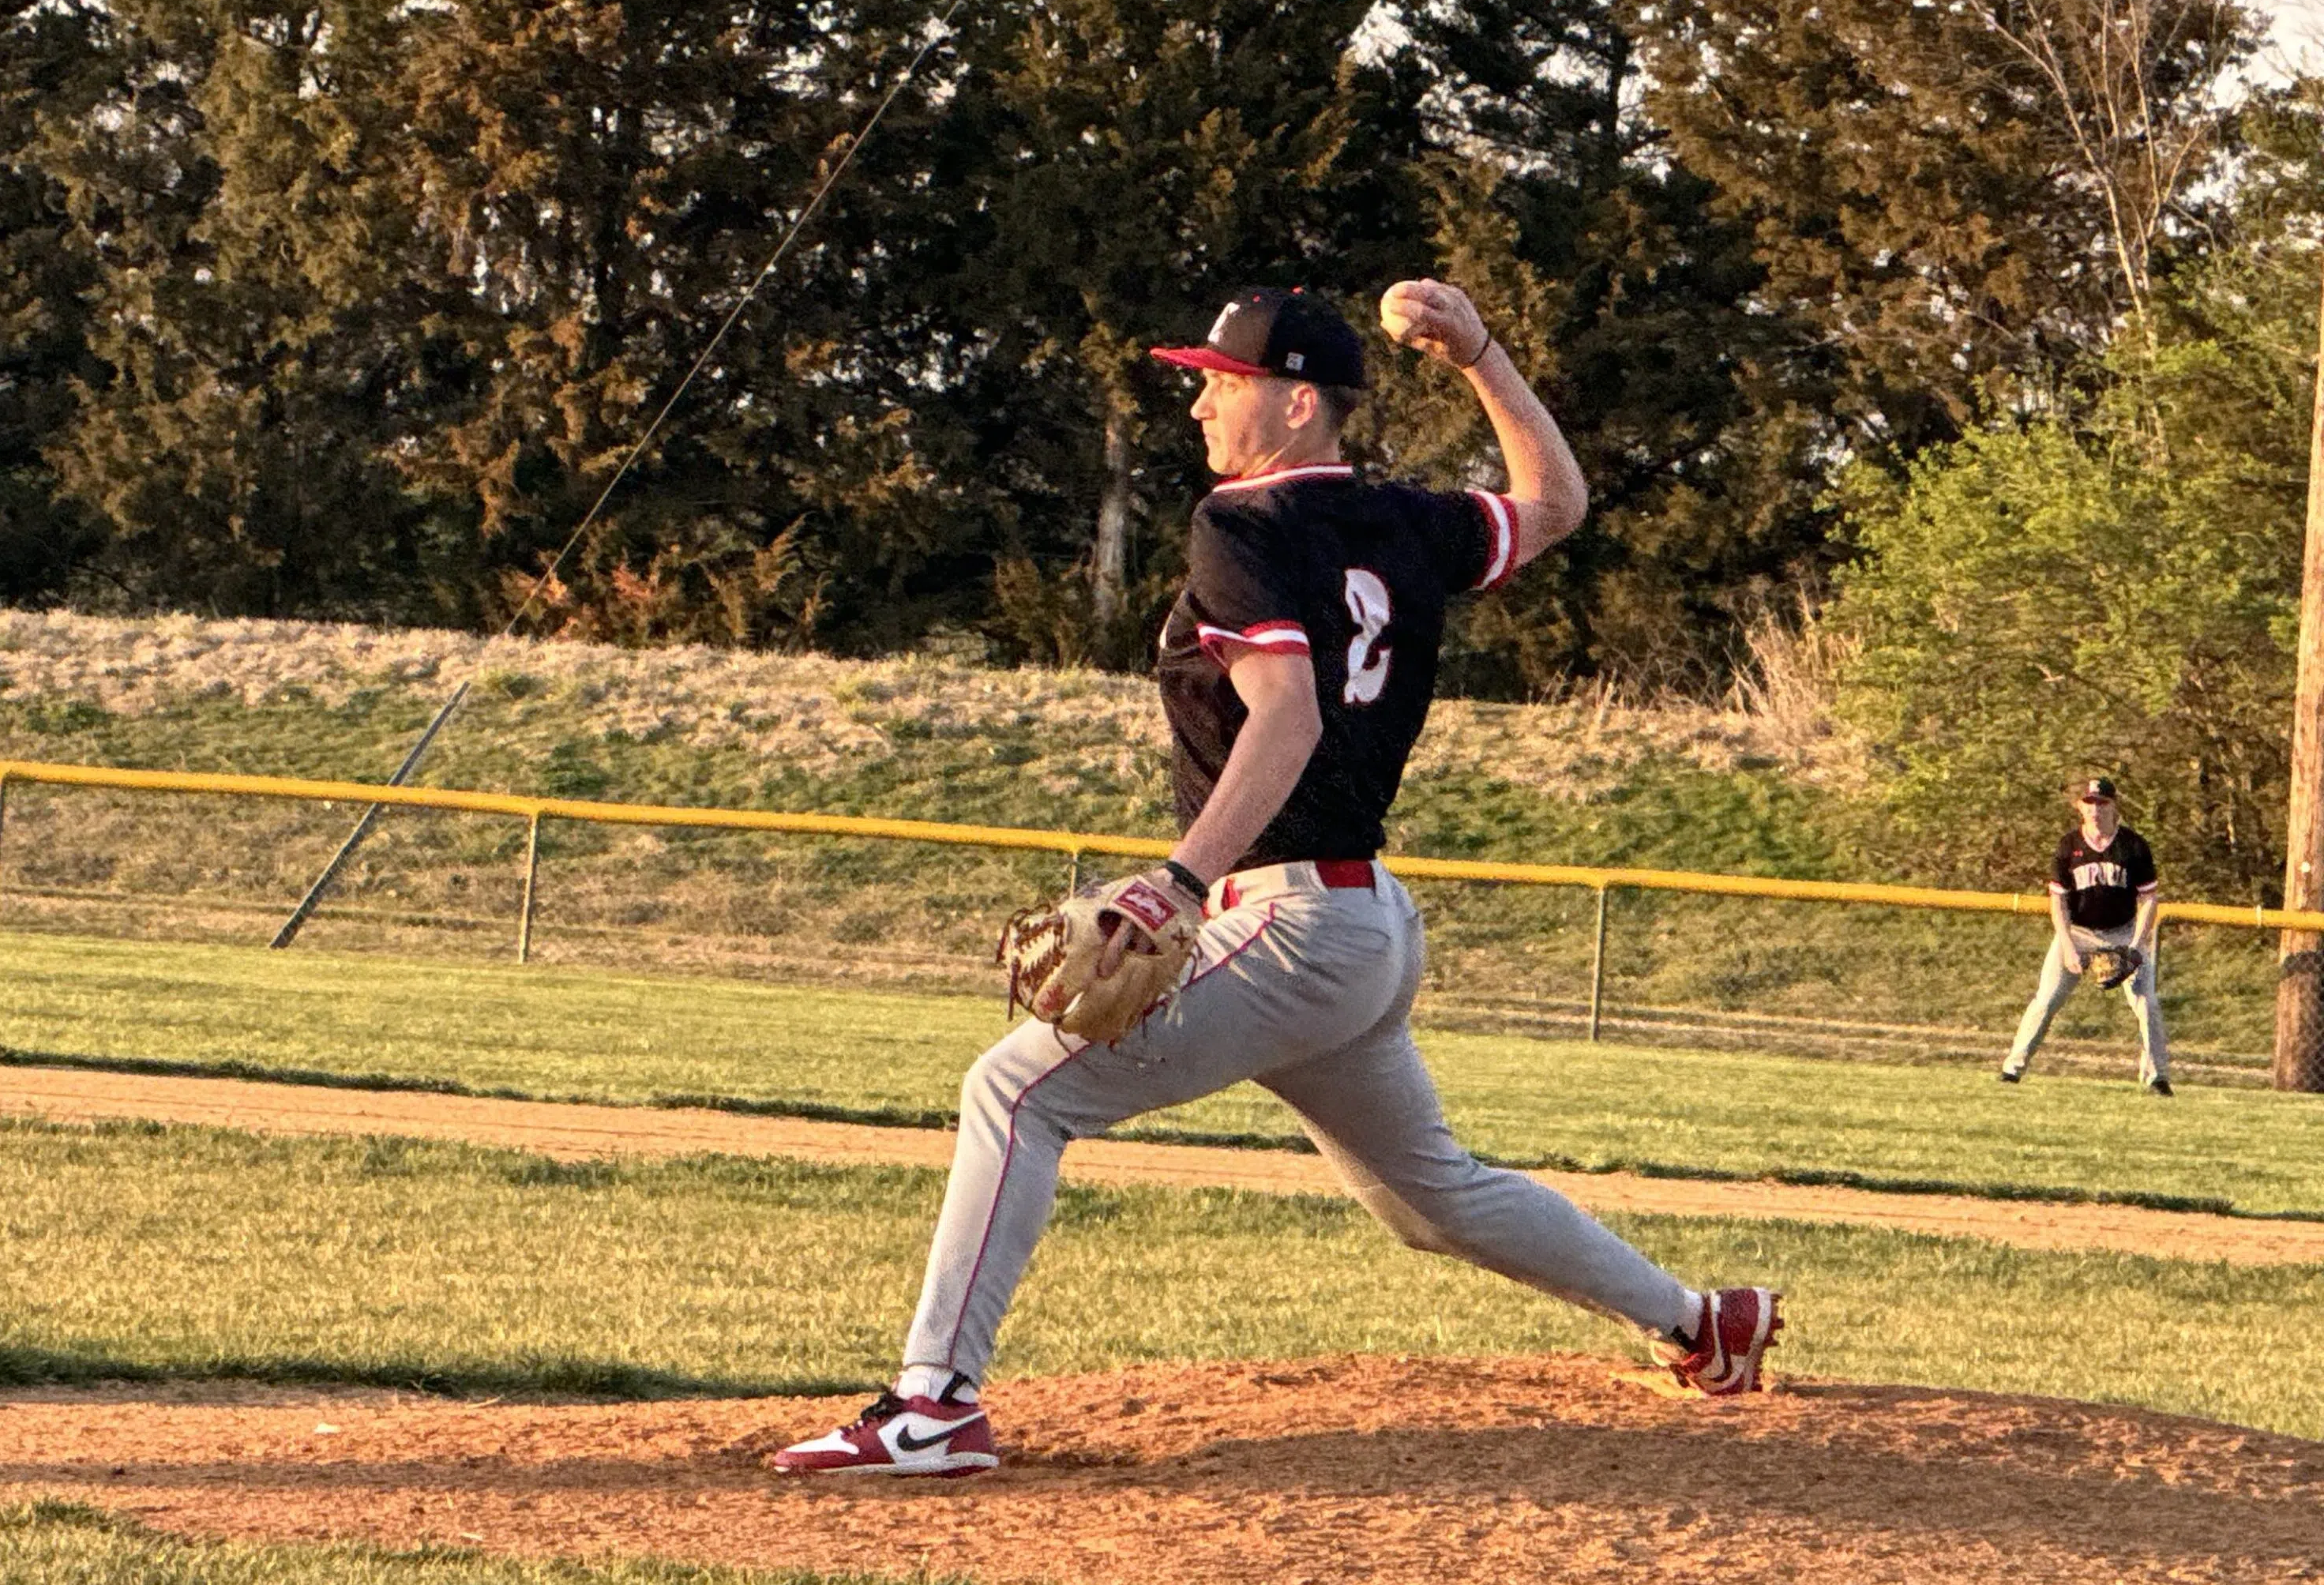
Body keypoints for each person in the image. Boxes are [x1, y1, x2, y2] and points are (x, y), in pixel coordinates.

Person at [772, 280, 1783, 1479]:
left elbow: (1287, 716)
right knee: (1432, 1196)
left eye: (1222, 380)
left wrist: (1179, 880)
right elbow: (1553, 505)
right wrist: (1483, 359)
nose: (1199, 403)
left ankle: (933, 1403)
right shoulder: (1407, 521)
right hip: (1364, 928)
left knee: (1017, 1093)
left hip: (1292, 917)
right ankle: (1700, 1323)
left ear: (1300, 404)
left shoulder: (1243, 525)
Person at [1998, 776, 2172, 1095]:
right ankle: (2012, 1068)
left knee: (2147, 1003)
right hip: (2077, 931)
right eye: (2089, 802)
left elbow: (2149, 899)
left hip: (2123, 932)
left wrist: (2135, 947)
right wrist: (2066, 945)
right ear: (2080, 807)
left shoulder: (2133, 846)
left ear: (2113, 805)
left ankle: (2158, 1077)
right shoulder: (2069, 846)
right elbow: (2058, 900)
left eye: (2102, 802)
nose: (2095, 809)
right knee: (2046, 999)